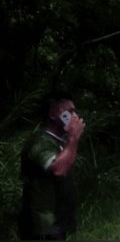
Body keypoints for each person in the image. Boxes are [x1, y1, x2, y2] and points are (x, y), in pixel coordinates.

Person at [19, 95, 86, 240]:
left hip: (56, 222)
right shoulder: (40, 141)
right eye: (70, 111)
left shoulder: (59, 141)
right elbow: (59, 169)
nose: (75, 116)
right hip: (42, 225)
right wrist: (73, 137)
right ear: (53, 114)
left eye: (75, 111)